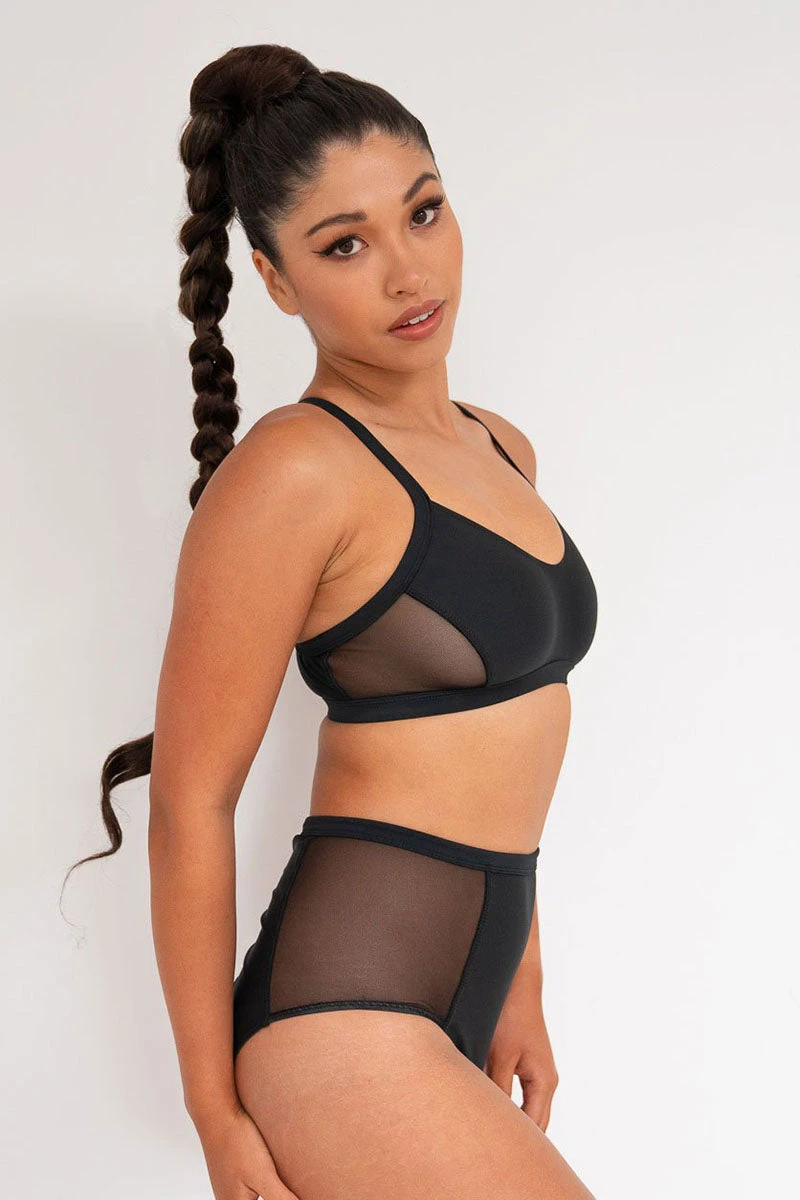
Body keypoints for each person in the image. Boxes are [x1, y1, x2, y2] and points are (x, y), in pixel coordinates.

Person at [66, 44, 599, 1200]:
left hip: (469, 985)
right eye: (344, 245)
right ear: (274, 279)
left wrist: (521, 982)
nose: (407, 271)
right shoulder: (293, 473)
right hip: (343, 1012)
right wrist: (215, 1114)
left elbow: (508, 750)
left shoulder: (501, 446)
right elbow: (192, 804)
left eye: (423, 212)